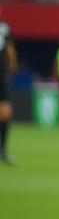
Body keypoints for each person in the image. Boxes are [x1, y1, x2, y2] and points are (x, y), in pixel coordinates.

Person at [0, 11, 17, 165]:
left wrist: (11, 66)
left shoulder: (4, 27)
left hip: (1, 76)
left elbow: (10, 48)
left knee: (5, 112)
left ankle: (3, 150)